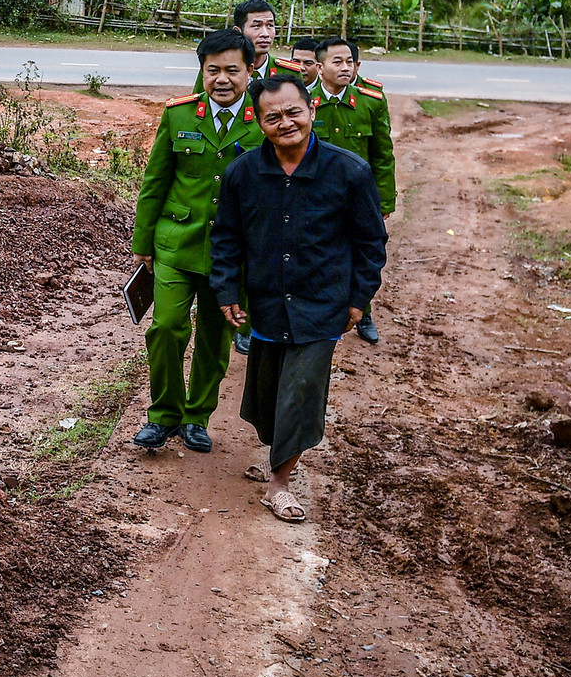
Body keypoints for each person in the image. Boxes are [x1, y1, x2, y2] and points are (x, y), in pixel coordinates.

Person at [211, 75, 386, 523]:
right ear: (259, 121)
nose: (285, 123)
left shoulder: (349, 172)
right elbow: (227, 237)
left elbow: (370, 242)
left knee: (302, 390)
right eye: (273, 117)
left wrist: (359, 297)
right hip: (268, 301)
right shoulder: (242, 174)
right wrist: (227, 288)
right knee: (268, 396)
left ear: (311, 111)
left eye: (294, 112)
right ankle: (276, 450)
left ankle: (280, 483)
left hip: (322, 301)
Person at [129, 28, 264, 455]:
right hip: (176, 243)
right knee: (166, 327)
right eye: (212, 71)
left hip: (233, 255)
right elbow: (155, 182)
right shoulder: (180, 115)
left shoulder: (265, 121)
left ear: (250, 70)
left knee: (214, 337)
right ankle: (163, 416)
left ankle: (196, 418)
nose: (222, 79)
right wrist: (143, 240)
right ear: (202, 72)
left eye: (232, 71)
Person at [309, 38, 395, 343]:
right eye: (337, 62)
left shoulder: (370, 101)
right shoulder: (306, 103)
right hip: (315, 197)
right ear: (320, 68)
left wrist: (384, 199)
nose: (345, 68)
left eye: (349, 62)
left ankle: (364, 311)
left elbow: (382, 155)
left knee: (361, 255)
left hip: (359, 198)